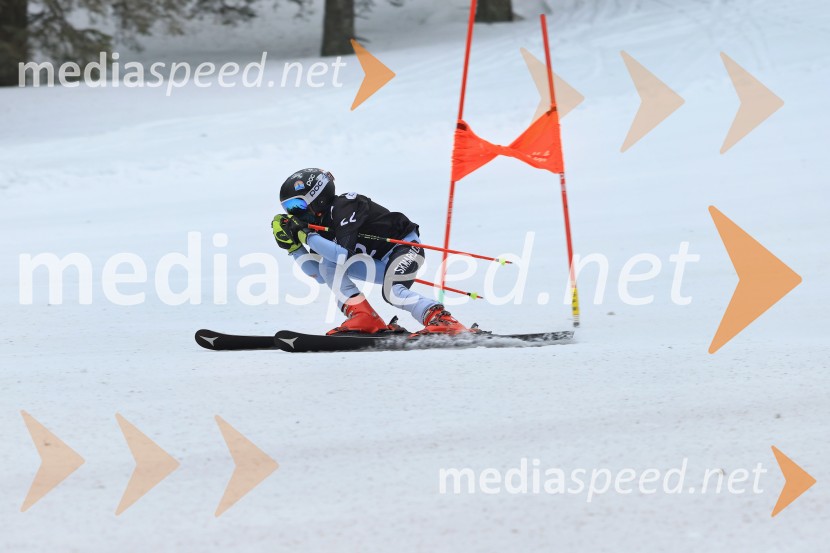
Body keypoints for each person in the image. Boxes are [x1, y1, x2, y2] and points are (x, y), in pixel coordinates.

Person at [271, 168, 471, 336]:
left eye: (296, 206)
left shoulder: (345, 205)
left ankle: (441, 319)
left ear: (318, 198)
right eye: (288, 209)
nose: (294, 214)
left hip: (405, 248)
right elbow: (320, 275)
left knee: (393, 292)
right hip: (379, 263)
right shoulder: (318, 229)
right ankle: (365, 317)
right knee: (327, 265)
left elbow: (342, 255)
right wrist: (294, 248)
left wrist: (306, 236)